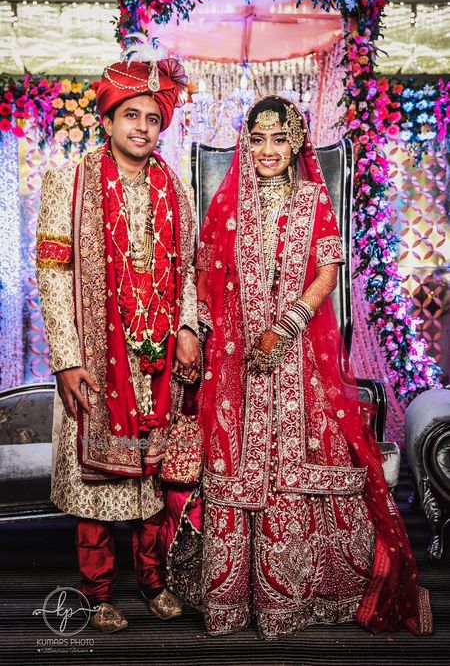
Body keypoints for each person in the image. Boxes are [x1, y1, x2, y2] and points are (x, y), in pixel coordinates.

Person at [196, 95, 432, 640]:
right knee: (233, 461)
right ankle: (231, 598)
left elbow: (327, 273)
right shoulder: (228, 204)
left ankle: (302, 592)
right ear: (246, 144)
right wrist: (209, 335)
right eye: (258, 140)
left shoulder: (310, 199)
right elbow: (206, 274)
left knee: (302, 457)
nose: (268, 150)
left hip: (299, 357)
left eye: (280, 139)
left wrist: (285, 326)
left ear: (297, 143)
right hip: (234, 357)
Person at [36, 53, 200, 632]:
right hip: (96, 356)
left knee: (154, 477)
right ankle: (98, 592)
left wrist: (187, 326)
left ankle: (154, 582)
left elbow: (189, 270)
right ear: (106, 120)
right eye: (131, 115)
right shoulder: (69, 182)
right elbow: (53, 274)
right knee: (97, 485)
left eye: (153, 119)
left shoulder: (176, 189)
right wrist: (67, 359)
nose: (142, 128)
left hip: (156, 354)